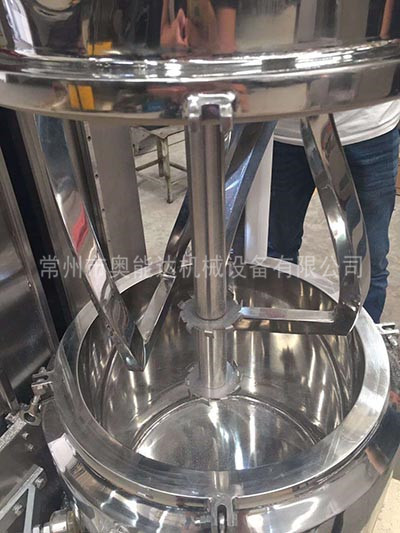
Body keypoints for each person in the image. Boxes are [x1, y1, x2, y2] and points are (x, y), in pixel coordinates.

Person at [268, 101, 400, 323]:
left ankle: (362, 338)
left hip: (369, 126)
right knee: (274, 255)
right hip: (280, 128)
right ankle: (276, 335)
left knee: (367, 263)